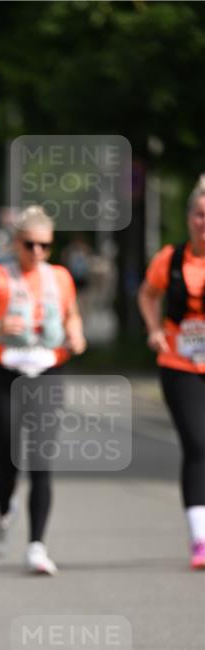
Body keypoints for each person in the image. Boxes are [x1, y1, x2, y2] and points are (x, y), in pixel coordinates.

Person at [0, 205, 86, 575]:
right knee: (7, 462)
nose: (37, 253)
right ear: (17, 243)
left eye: (45, 246)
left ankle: (37, 546)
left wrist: (76, 333)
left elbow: (72, 314)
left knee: (41, 461)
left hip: (48, 372)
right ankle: (4, 511)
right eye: (30, 244)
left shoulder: (61, 277)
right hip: (5, 375)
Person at [138, 174, 205, 570]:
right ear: (189, 219)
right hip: (179, 363)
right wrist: (152, 330)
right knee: (198, 444)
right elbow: (147, 293)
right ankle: (200, 537)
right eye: (198, 215)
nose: (204, 222)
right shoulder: (171, 258)